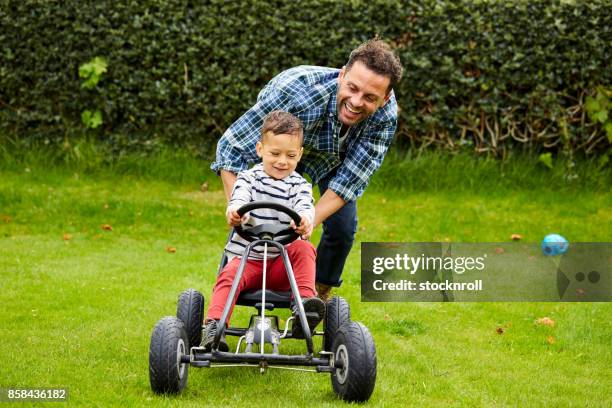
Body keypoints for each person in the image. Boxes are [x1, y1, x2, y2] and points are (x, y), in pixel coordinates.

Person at [211, 39, 403, 301]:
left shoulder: (385, 117)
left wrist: (306, 220)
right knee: (262, 216)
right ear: (342, 74)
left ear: (386, 98)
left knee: (342, 229)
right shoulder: (298, 93)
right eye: (352, 88)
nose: (356, 102)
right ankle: (227, 291)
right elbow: (231, 147)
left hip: (337, 160)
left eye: (370, 97)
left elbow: (349, 180)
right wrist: (240, 210)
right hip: (286, 152)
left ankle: (315, 298)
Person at [203, 110, 326, 351]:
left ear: (299, 155)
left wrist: (305, 219)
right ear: (260, 150)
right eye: (275, 154)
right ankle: (214, 328)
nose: (282, 161)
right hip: (249, 260)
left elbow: (305, 205)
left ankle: (304, 309)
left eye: (290, 156)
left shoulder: (298, 185)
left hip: (283, 265)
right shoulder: (249, 179)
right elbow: (239, 198)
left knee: (304, 247)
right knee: (228, 276)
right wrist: (237, 211)